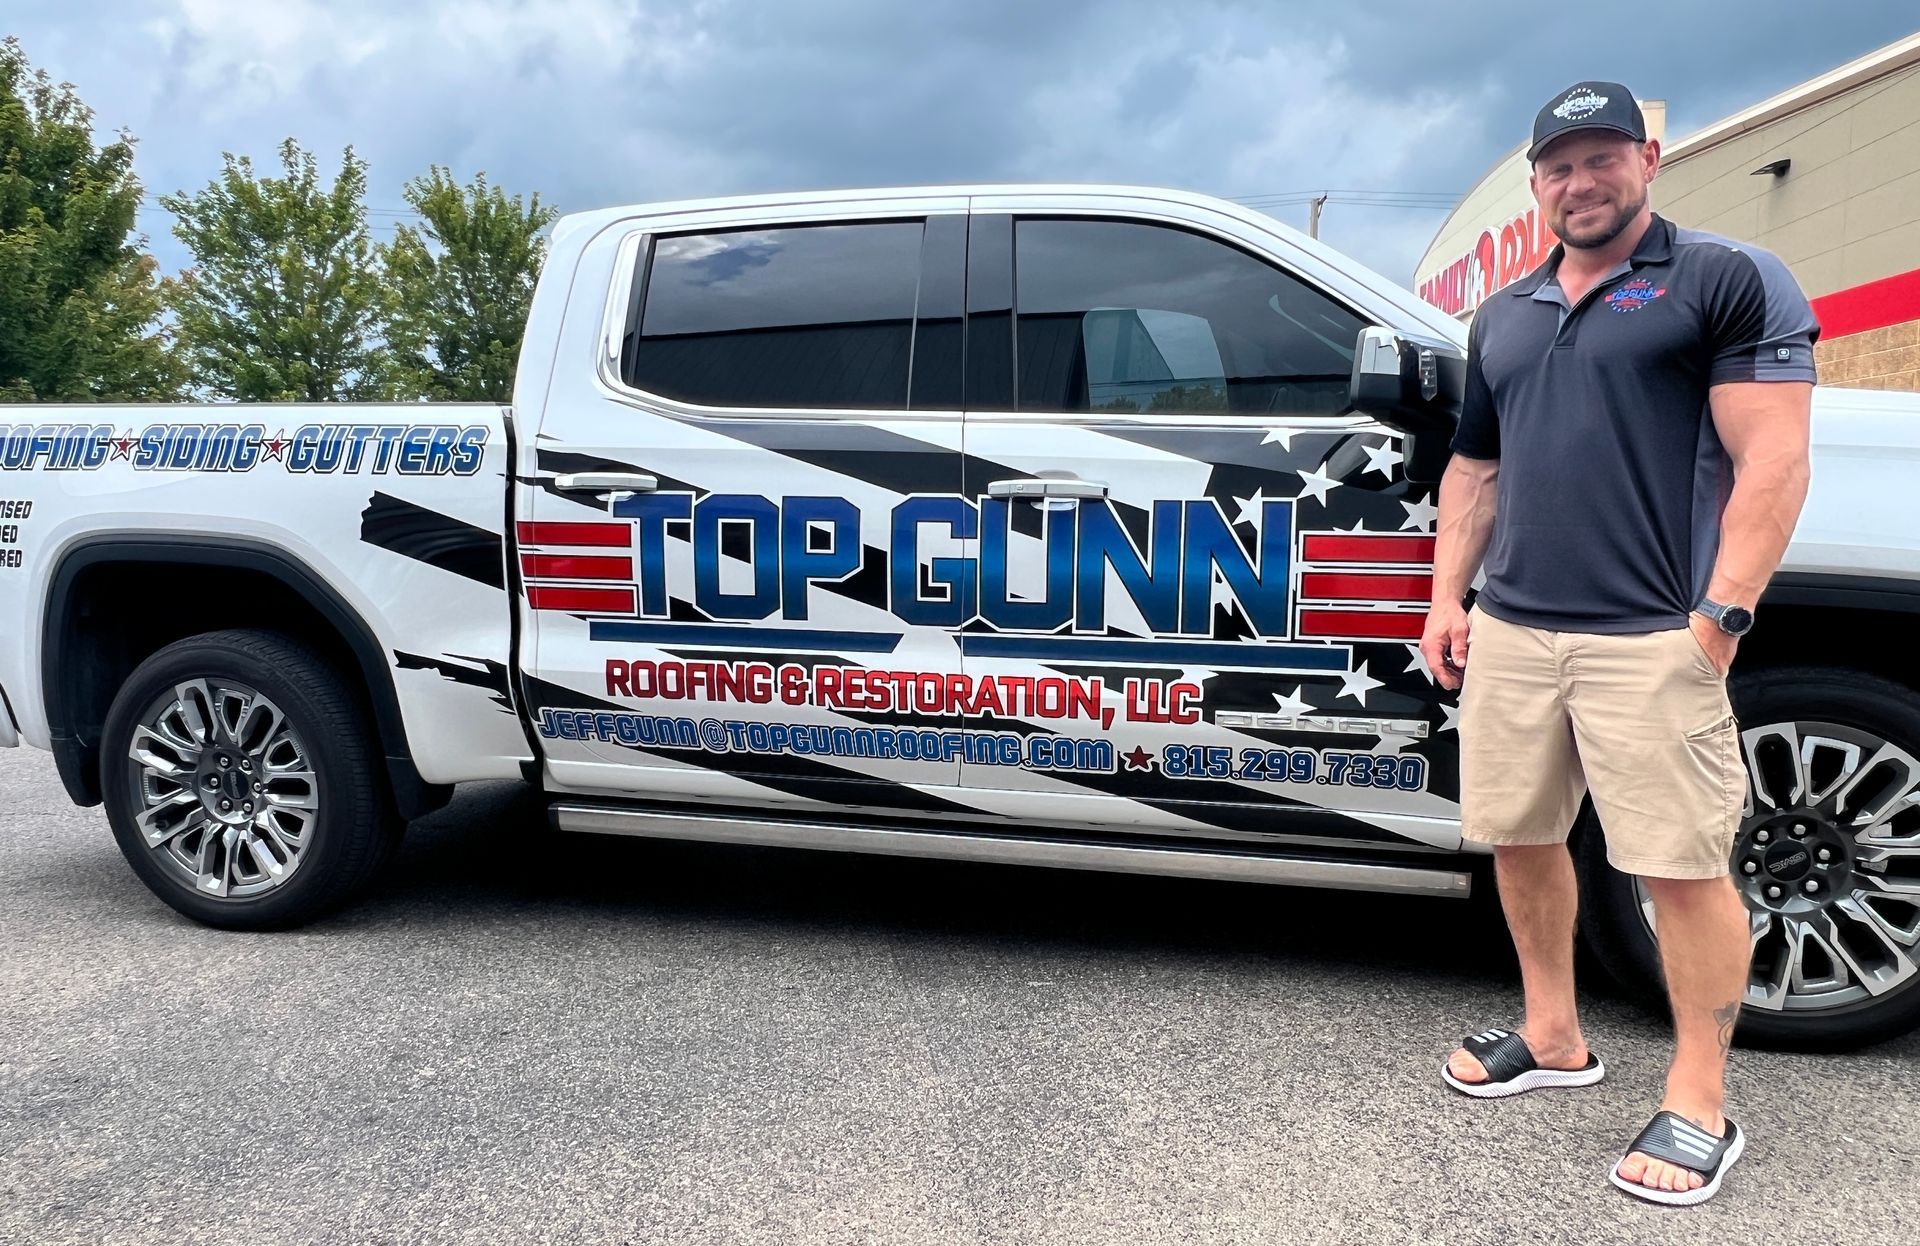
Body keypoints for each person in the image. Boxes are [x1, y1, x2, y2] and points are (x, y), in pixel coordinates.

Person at [1418, 80, 1816, 1207]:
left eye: (1603, 158)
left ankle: (1699, 1098)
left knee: (1678, 867)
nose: (1579, 183)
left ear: (1649, 159)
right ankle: (1553, 1035)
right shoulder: (1505, 313)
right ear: (1535, 183)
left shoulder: (1725, 279)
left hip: (1652, 634)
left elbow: (1775, 460)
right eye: (1559, 165)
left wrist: (1720, 617)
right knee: (1519, 835)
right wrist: (1449, 601)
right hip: (1513, 627)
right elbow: (1475, 469)